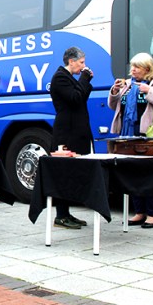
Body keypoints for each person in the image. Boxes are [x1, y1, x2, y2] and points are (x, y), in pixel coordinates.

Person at [108, 52, 153, 229]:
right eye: (132, 66)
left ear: (147, 68)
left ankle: (152, 214)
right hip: (128, 133)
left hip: (149, 135)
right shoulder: (128, 85)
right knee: (133, 174)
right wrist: (114, 92)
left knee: (150, 175)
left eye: (136, 67)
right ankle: (139, 212)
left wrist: (150, 91)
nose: (132, 70)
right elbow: (114, 106)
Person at [49, 47, 93, 229]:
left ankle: (66, 213)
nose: (83, 66)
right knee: (63, 174)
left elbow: (80, 98)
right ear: (71, 61)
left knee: (73, 175)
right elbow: (75, 98)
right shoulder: (60, 77)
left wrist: (85, 80)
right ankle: (60, 215)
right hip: (66, 134)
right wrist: (84, 79)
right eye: (81, 62)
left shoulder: (70, 78)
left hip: (76, 132)